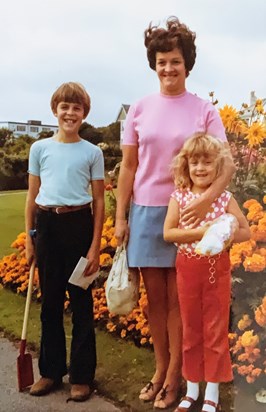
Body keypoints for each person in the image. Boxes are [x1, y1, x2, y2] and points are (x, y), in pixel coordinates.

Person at [115, 16, 236, 410]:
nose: (168, 68)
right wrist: (121, 218)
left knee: (182, 302)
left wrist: (203, 202)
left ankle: (174, 380)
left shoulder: (203, 110)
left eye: (176, 61)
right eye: (162, 60)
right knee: (156, 302)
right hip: (148, 212)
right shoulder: (139, 108)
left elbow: (227, 165)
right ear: (154, 64)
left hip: (191, 217)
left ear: (188, 65)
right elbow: (129, 167)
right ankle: (160, 369)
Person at [25, 82, 105, 402]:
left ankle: (82, 376)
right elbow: (32, 196)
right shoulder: (39, 149)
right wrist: (31, 240)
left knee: (82, 305)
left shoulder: (92, 152)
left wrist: (95, 246)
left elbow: (99, 201)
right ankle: (50, 371)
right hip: (47, 226)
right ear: (55, 110)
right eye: (65, 107)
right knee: (51, 304)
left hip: (79, 226)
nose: (70, 113)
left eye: (77, 108)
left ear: (84, 114)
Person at [164, 133, 250, 412]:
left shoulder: (224, 198)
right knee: (190, 328)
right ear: (185, 166)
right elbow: (168, 233)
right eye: (194, 162)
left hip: (217, 269)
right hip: (188, 266)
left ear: (218, 166)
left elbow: (246, 231)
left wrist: (225, 233)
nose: (200, 168)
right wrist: (205, 231)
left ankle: (211, 391)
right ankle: (191, 390)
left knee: (214, 329)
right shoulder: (179, 197)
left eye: (207, 162)